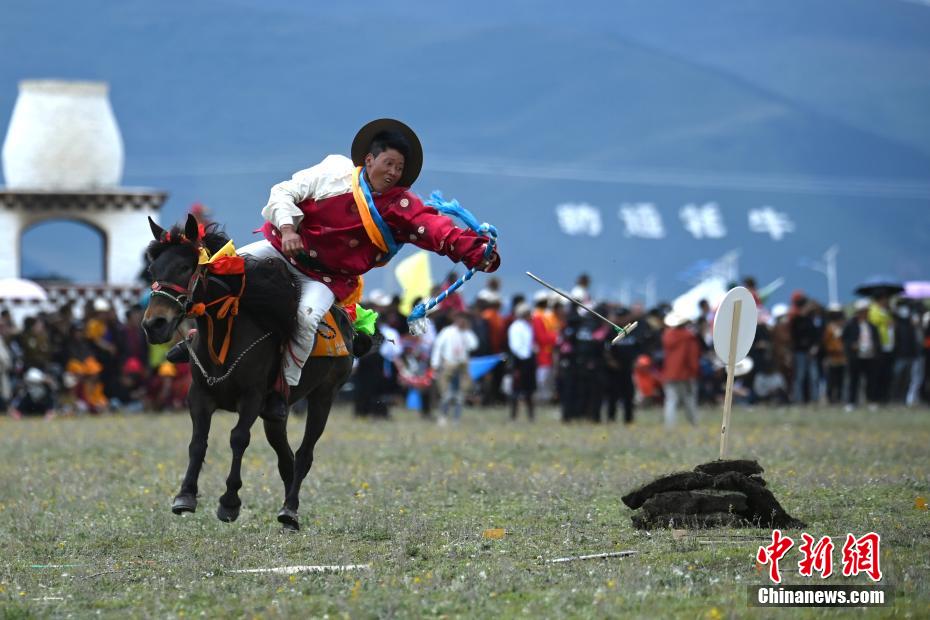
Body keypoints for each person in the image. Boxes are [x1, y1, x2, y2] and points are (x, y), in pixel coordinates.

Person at [235, 119, 499, 416]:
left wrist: (475, 250)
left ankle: (281, 391)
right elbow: (284, 191)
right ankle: (195, 341)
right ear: (369, 159)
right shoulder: (333, 171)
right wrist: (287, 228)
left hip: (325, 278)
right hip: (281, 247)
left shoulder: (399, 206)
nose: (393, 173)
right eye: (389, 163)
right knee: (221, 268)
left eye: (399, 168)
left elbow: (433, 227)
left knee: (306, 318)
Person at [431, 311, 478, 423]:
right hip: (449, 365)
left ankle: (456, 418)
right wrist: (435, 363)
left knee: (460, 395)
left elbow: (474, 345)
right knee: (446, 394)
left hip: (462, 366)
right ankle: (443, 416)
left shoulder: (467, 333)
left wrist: (467, 332)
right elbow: (438, 347)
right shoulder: (447, 331)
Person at [661, 311, 700, 427]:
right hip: (685, 373)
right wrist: (695, 371)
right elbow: (692, 357)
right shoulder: (689, 337)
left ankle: (669, 426)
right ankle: (693, 424)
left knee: (670, 400)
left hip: (670, 373)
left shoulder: (666, 336)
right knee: (689, 399)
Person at [843, 299, 880, 411]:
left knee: (871, 380)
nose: (865, 313)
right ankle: (851, 402)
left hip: (869, 356)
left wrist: (874, 347)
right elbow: (845, 339)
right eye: (863, 311)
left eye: (866, 311)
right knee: (854, 380)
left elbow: (877, 340)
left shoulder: (872, 326)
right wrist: (852, 345)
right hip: (855, 357)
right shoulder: (850, 325)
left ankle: (871, 401)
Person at [506, 303, 536, 421]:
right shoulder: (516, 327)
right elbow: (516, 347)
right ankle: (513, 416)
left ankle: (531, 416)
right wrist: (523, 359)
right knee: (516, 390)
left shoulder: (528, 326)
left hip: (528, 361)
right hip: (519, 362)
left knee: (529, 391)